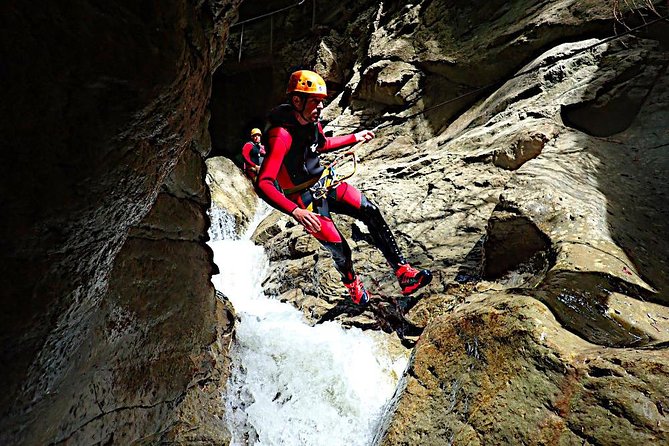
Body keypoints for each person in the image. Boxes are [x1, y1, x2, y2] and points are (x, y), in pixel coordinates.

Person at [257, 69, 432, 305]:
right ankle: (352, 285)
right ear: (297, 100)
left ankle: (404, 274)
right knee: (340, 249)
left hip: (324, 183)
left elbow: (322, 144)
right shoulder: (281, 135)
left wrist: (354, 137)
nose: (320, 107)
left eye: (322, 102)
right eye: (315, 102)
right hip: (303, 199)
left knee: (369, 210)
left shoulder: (311, 121)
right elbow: (264, 183)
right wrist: (295, 212)